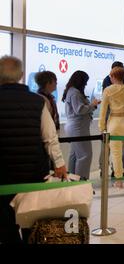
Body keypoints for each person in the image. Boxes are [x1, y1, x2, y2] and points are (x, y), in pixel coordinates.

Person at [0, 56, 67, 244]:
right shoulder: (37, 102)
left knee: (5, 224)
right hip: (33, 173)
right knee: (31, 220)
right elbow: (49, 137)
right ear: (21, 75)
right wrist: (59, 164)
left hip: (3, 174)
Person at [63, 71, 99, 180]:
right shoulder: (74, 93)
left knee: (74, 155)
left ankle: (73, 180)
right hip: (78, 127)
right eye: (85, 82)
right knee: (85, 155)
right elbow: (79, 109)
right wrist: (92, 105)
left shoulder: (72, 91)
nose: (86, 84)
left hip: (76, 127)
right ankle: (81, 182)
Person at [102, 61, 124, 177]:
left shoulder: (107, 80)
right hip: (118, 116)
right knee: (120, 146)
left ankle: (111, 170)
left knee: (110, 146)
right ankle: (117, 169)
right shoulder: (119, 79)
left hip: (112, 117)